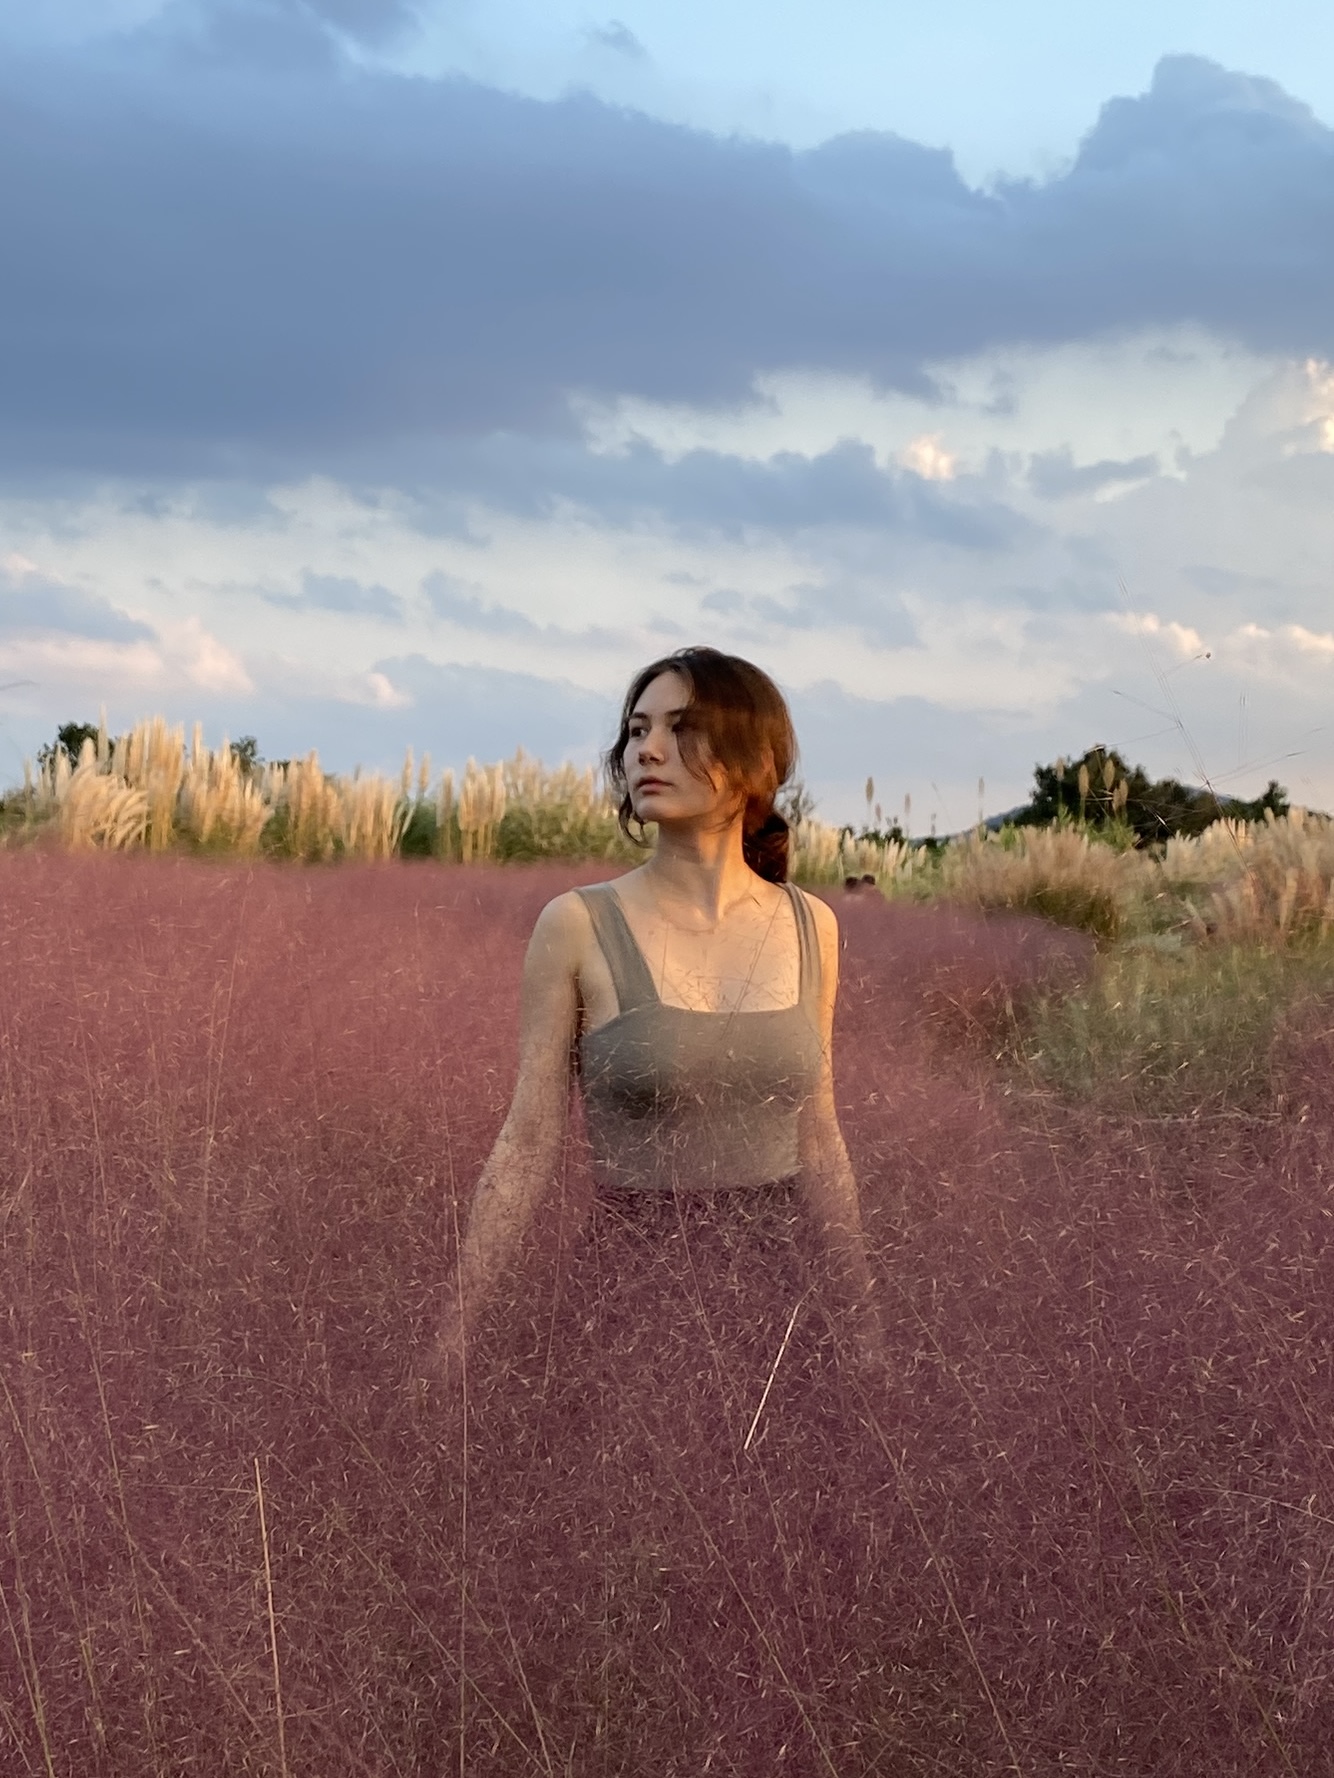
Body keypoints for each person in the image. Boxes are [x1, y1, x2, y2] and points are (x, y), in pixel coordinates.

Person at [428, 645, 884, 1389]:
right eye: (637, 730)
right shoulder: (576, 924)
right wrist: (455, 1338)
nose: (648, 749)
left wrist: (863, 1329)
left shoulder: (814, 926)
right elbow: (527, 1142)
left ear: (754, 759)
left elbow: (820, 1138)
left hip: (784, 1305)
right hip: (628, 1299)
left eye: (680, 728)